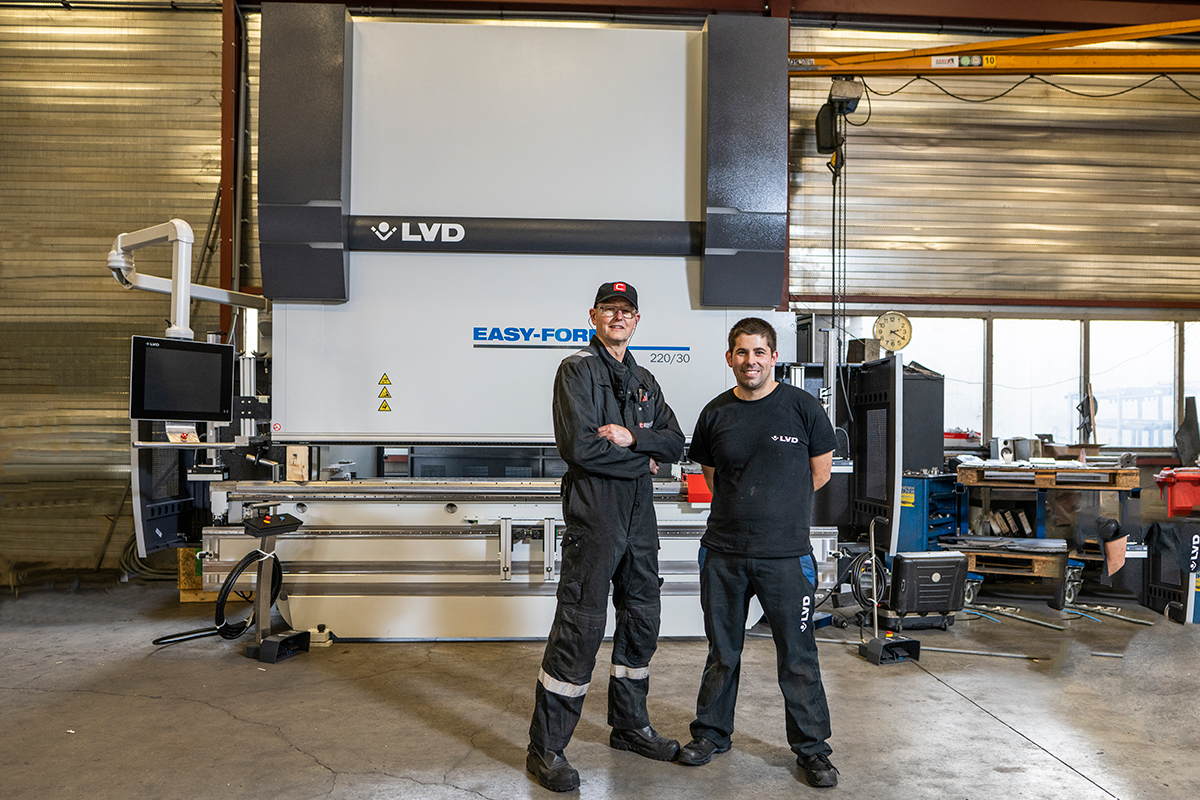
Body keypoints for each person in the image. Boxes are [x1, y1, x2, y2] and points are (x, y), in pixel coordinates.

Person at [526, 281, 686, 792]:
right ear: (593, 315)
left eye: (627, 311)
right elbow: (581, 449)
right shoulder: (576, 371)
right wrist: (645, 458)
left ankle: (630, 727)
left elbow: (676, 442)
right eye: (610, 310)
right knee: (581, 626)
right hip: (595, 517)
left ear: (637, 320)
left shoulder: (645, 381)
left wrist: (633, 437)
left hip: (641, 521)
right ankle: (546, 749)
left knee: (642, 619)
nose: (619, 317)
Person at [677, 317, 840, 789]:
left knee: (798, 656)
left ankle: (812, 750)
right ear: (730, 358)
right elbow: (712, 476)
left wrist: (776, 512)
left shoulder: (803, 408)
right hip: (724, 553)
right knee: (722, 651)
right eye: (742, 352)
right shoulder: (714, 413)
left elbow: (820, 472)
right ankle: (710, 734)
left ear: (774, 358)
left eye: (760, 352)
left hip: (786, 557)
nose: (751, 361)